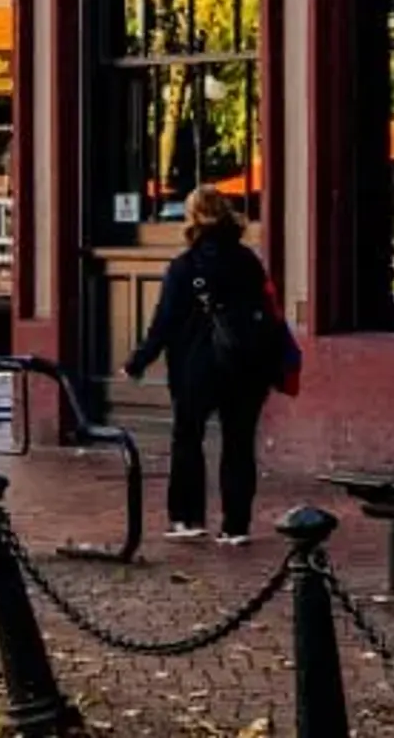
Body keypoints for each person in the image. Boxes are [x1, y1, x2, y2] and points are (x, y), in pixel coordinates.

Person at [121, 189, 296, 545]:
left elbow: (164, 322)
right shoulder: (249, 261)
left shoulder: (184, 267)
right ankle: (236, 526)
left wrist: (138, 361)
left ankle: (187, 517)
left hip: (194, 366)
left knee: (187, 438)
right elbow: (270, 312)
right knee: (239, 443)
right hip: (247, 366)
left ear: (192, 219)